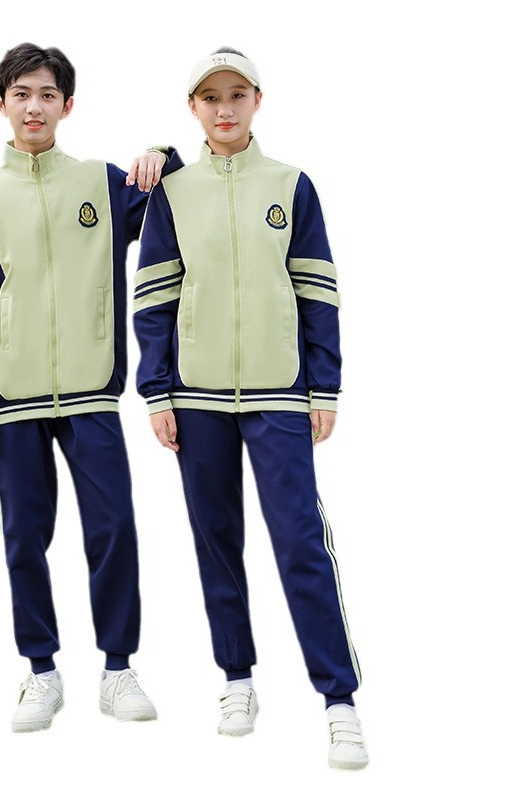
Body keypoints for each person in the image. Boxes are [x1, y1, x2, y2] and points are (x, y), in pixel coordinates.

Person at [133, 47, 368, 769]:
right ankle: (237, 680)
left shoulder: (292, 186)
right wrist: (158, 390)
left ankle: (339, 702)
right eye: (211, 98)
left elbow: (317, 289)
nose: (225, 108)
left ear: (258, 101)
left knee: (299, 542)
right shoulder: (174, 192)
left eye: (237, 94)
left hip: (279, 394)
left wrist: (323, 386)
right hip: (195, 399)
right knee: (216, 539)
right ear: (194, 109)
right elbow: (154, 298)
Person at [0, 42, 182, 733]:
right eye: (21, 94)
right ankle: (41, 671)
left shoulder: (100, 184)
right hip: (12, 396)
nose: (34, 107)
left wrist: (163, 154)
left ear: (67, 106)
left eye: (47, 94)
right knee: (25, 535)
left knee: (114, 529)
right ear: (1, 104)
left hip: (90, 391)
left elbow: (175, 193)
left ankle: (118, 670)